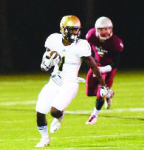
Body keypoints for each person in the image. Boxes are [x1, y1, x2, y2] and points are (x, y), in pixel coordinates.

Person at [35, 15, 109, 147]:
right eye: (71, 30)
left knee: (54, 111)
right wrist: (46, 63)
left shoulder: (81, 45)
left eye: (76, 30)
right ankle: (45, 138)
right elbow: (44, 64)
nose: (75, 33)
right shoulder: (53, 40)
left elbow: (93, 66)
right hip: (54, 81)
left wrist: (103, 85)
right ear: (63, 29)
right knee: (40, 112)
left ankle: (59, 116)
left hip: (70, 83)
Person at [85, 16, 124, 125]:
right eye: (101, 29)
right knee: (89, 92)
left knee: (100, 93)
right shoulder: (91, 36)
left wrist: (103, 69)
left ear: (111, 29)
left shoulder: (115, 42)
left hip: (108, 69)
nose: (104, 32)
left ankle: (94, 116)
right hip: (96, 66)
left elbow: (116, 63)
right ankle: (109, 94)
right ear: (97, 29)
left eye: (106, 29)